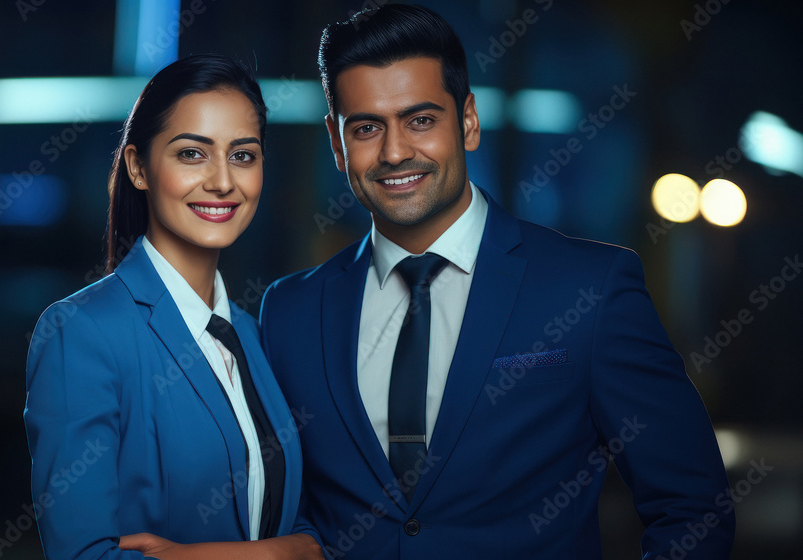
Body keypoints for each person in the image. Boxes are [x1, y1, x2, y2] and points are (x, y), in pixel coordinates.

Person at [259, 5, 734, 559]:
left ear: (467, 121)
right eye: (366, 127)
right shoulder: (289, 311)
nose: (394, 152)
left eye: (420, 120)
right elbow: (280, 516)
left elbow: (693, 506)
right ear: (337, 145)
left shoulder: (590, 289)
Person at [24, 54, 321, 560]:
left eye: (243, 155)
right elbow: (84, 557)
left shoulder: (250, 332)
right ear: (139, 167)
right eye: (192, 154)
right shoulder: (82, 331)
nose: (223, 181)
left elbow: (304, 523)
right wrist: (284, 554)